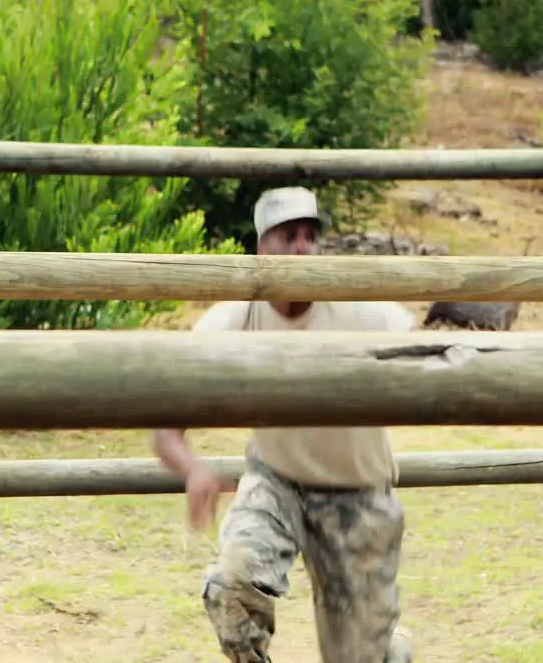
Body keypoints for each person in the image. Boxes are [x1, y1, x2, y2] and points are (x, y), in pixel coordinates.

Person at [151, 186, 417, 663]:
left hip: (357, 494)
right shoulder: (236, 318)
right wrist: (193, 469)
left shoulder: (358, 308)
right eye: (287, 237)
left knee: (361, 657)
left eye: (309, 237)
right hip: (276, 482)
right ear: (260, 249)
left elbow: (436, 355)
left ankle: (386, 651)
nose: (301, 249)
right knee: (229, 586)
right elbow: (166, 423)